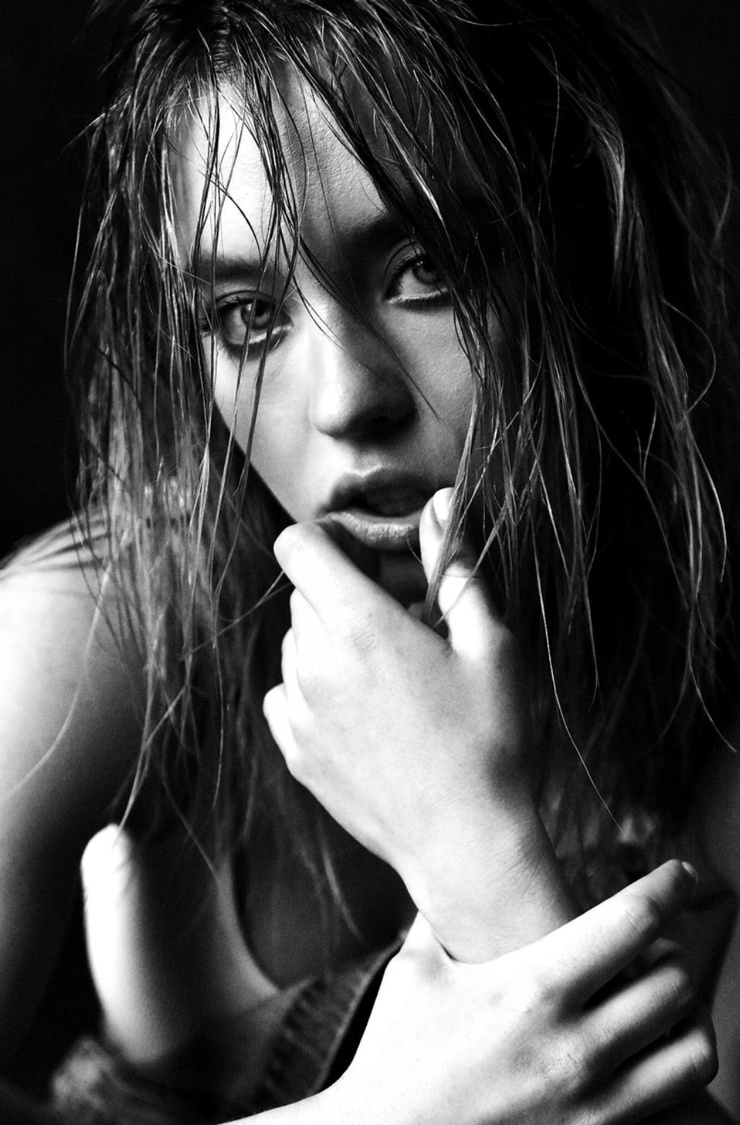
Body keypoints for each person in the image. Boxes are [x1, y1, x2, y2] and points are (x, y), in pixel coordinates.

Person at [0, 0, 737, 1121]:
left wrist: (472, 842)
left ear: (579, 262)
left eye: (426, 269)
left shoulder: (706, 693)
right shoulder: (104, 626)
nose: (346, 401)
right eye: (247, 316)